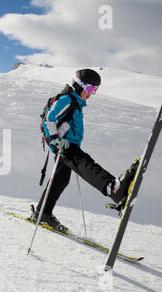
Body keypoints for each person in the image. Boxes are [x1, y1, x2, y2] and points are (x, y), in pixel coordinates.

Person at [31, 69, 139, 233]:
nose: (92, 93)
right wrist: (55, 140)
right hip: (65, 146)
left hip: (66, 145)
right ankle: (113, 188)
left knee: (60, 181)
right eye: (89, 89)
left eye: (95, 90)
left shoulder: (75, 103)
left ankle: (42, 213)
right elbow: (49, 118)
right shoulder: (68, 99)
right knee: (84, 163)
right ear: (78, 85)